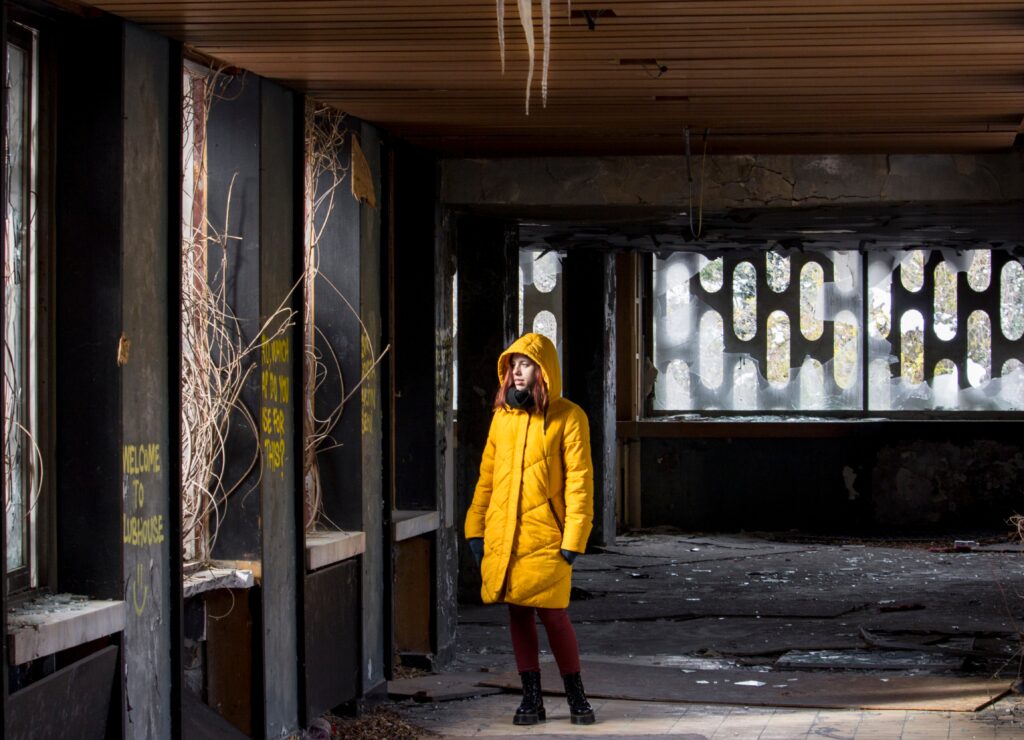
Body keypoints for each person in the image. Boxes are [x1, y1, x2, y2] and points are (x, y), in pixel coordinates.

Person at [464, 332, 596, 726]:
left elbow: (580, 483)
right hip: (505, 535)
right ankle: (531, 698)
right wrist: (475, 528)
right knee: (518, 614)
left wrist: (574, 538)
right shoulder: (502, 418)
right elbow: (487, 478)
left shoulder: (569, 417)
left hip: (548, 537)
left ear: (544, 370)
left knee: (554, 616)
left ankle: (576, 695)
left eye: (525, 364)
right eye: (513, 365)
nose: (517, 372)